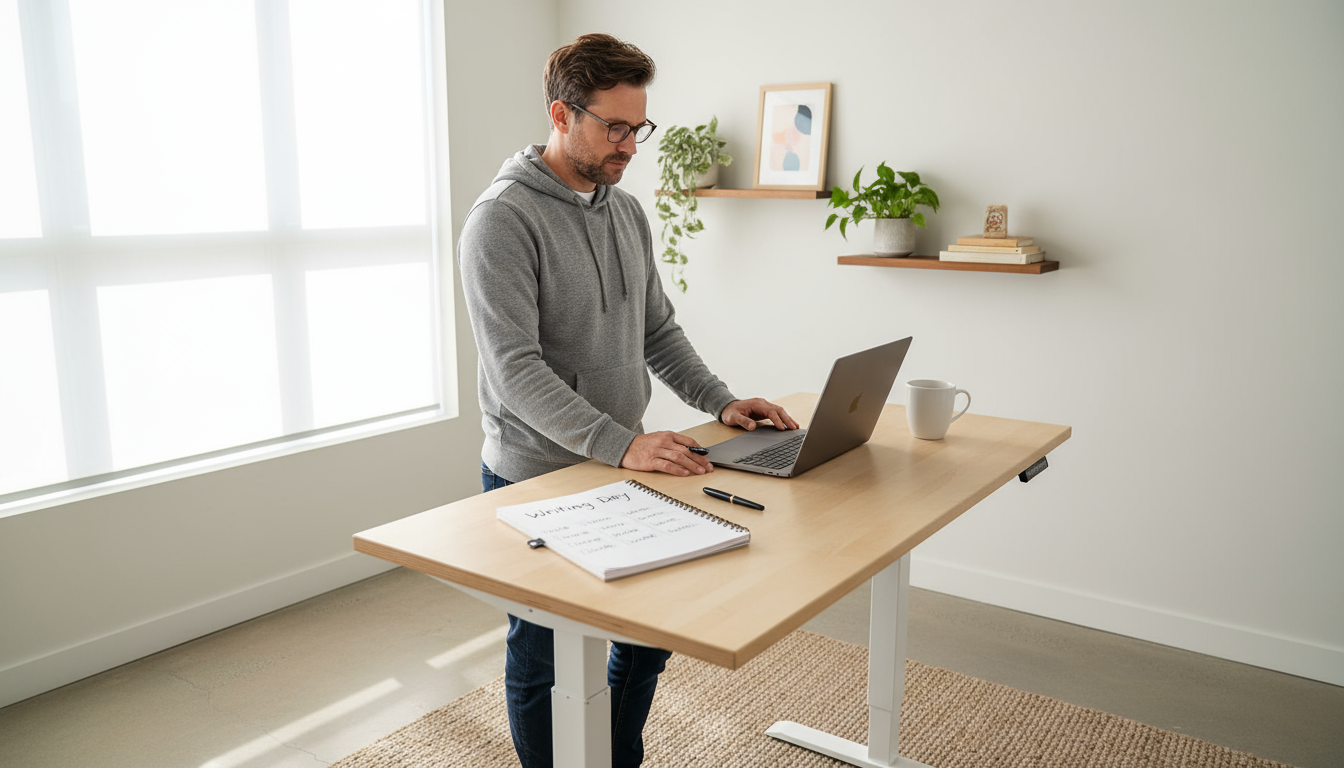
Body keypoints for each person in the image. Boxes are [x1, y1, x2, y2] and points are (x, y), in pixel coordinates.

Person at [457, 32, 798, 768]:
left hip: (620, 462)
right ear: (561, 113)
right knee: (543, 649)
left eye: (638, 126)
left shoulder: (625, 212)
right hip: (532, 474)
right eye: (614, 127)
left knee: (647, 634)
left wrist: (724, 401)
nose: (631, 145)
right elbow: (514, 368)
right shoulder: (502, 220)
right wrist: (624, 443)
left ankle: (614, 757)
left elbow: (657, 332)